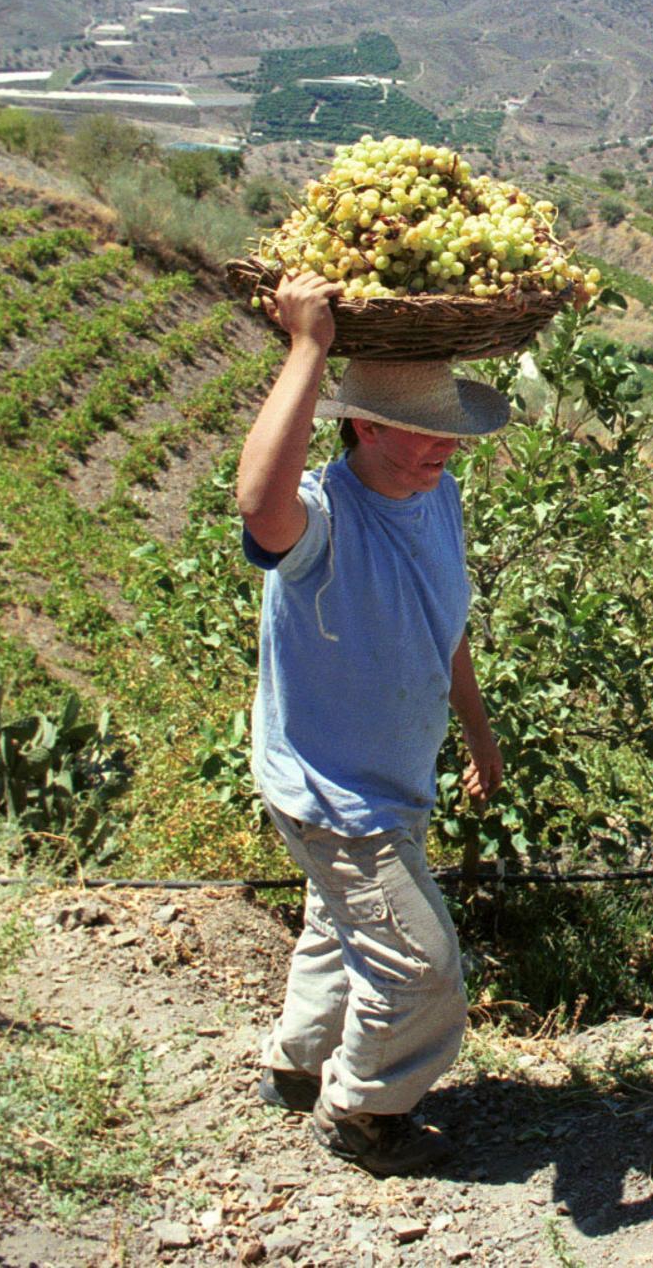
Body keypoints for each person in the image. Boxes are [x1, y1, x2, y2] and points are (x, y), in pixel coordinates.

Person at [236, 270, 507, 1175]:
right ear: (362, 423)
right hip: (333, 789)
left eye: (450, 438)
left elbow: (446, 618)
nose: (440, 453)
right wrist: (308, 348)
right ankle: (362, 1111)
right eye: (422, 437)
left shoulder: (438, 497)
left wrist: (475, 729)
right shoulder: (322, 517)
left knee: (340, 926)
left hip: (393, 773)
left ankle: (299, 1067)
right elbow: (258, 511)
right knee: (421, 965)